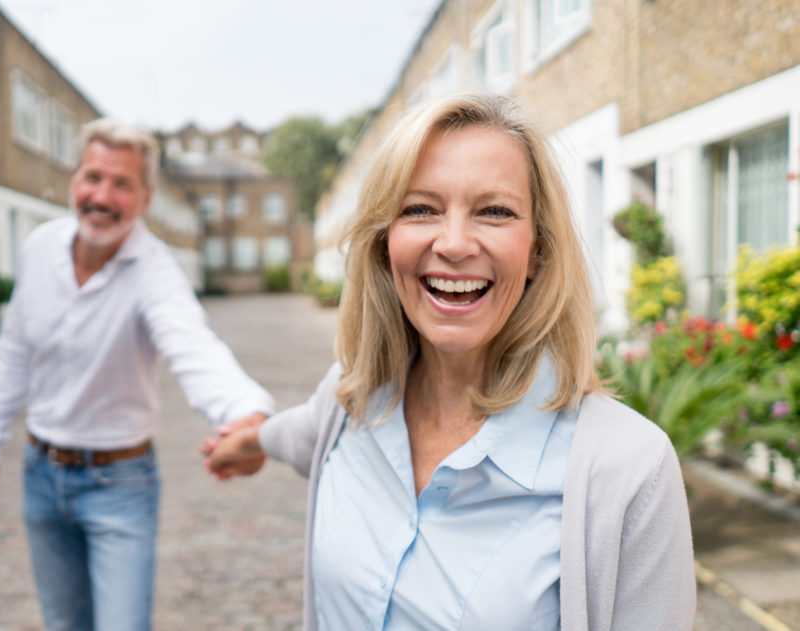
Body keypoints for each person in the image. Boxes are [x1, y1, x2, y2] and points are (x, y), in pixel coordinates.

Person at [202, 93, 696, 630]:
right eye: (420, 209)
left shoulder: (629, 470)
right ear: (384, 244)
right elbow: (297, 433)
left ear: (537, 251)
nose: (455, 243)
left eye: (494, 211)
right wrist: (245, 442)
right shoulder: (353, 401)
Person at [0, 118, 274, 631]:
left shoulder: (155, 272)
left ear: (146, 198)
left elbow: (194, 348)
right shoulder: (40, 247)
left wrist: (249, 416)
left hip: (120, 484)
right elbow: (14, 349)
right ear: (73, 179)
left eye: (122, 184)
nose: (102, 196)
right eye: (93, 178)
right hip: (40, 473)